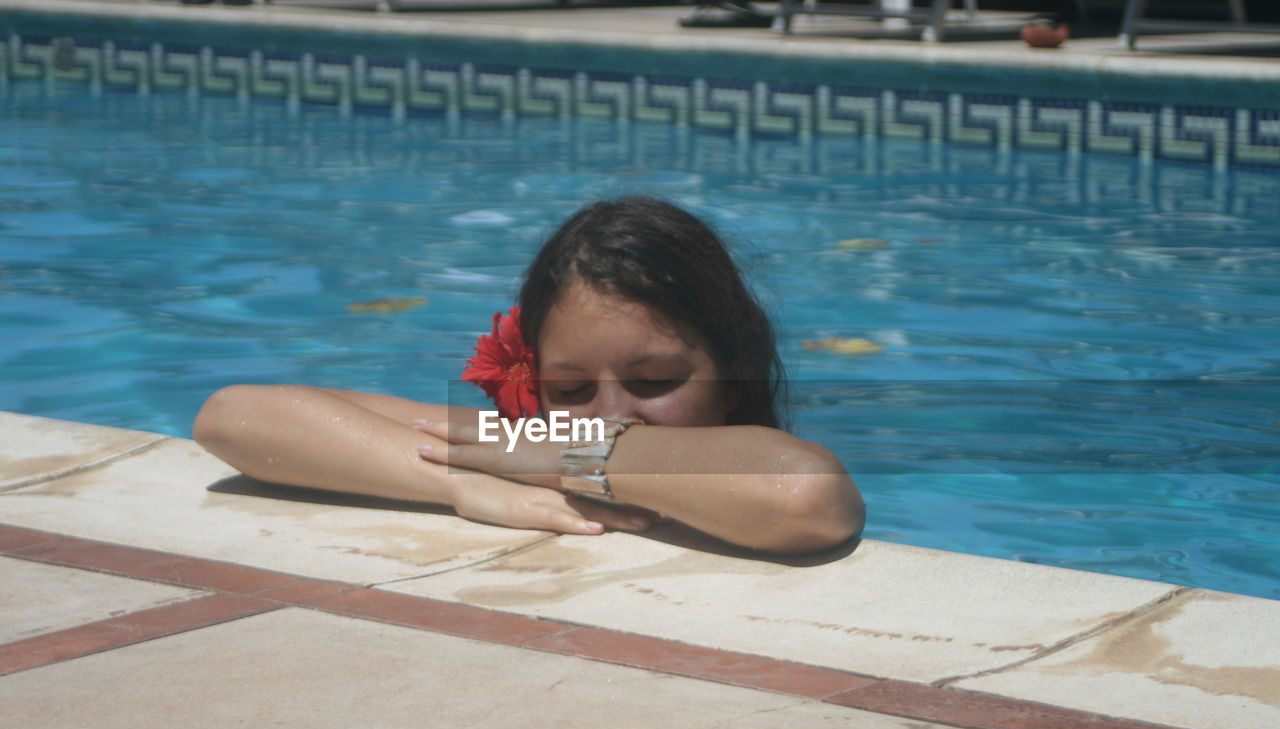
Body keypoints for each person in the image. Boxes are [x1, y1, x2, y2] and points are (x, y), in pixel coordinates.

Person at [194, 197, 864, 554]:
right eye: (570, 390)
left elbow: (805, 494)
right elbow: (236, 415)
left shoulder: (558, 449)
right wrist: (459, 485)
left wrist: (577, 457)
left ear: (733, 376)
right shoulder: (531, 446)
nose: (608, 416)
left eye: (655, 380)